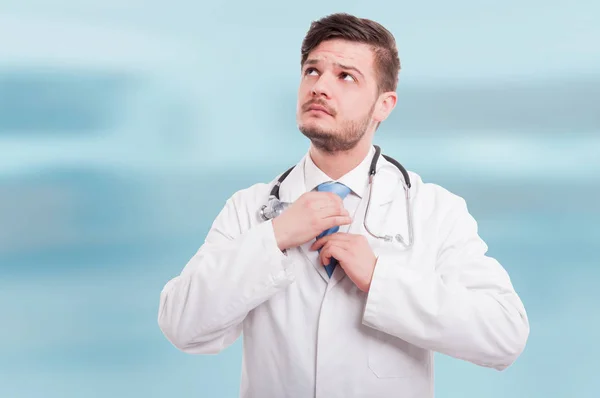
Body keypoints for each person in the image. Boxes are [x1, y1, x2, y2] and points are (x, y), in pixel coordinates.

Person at [157, 12, 529, 398]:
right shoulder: (249, 209)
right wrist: (274, 237)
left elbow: (505, 335)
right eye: (312, 71)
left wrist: (380, 280)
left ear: (384, 105)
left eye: (345, 76)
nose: (319, 87)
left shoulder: (433, 210)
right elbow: (181, 325)